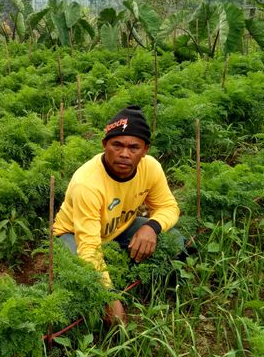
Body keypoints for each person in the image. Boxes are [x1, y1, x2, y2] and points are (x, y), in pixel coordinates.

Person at [53, 105, 180, 324]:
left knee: (175, 239)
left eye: (134, 147)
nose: (124, 154)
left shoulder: (150, 168)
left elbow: (169, 206)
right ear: (105, 145)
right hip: (73, 234)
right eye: (117, 145)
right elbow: (89, 247)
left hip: (119, 227)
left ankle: (143, 278)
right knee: (79, 279)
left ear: (145, 149)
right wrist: (109, 297)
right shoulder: (88, 184)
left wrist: (151, 227)